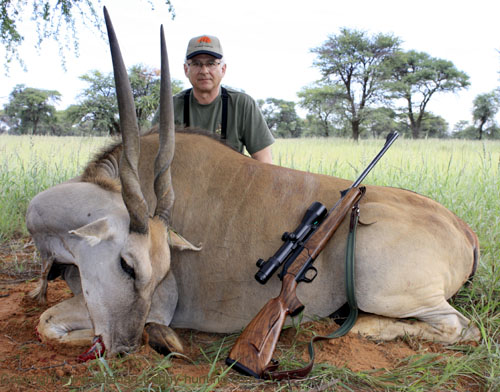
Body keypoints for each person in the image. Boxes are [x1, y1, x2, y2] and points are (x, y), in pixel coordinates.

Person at [154, 35, 274, 163]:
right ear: (186, 69)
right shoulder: (170, 107)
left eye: (211, 63)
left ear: (223, 69)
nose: (204, 71)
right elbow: (153, 154)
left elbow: (264, 160)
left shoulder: (243, 104)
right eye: (196, 64)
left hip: (230, 181)